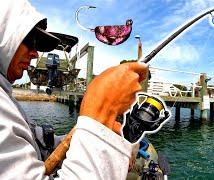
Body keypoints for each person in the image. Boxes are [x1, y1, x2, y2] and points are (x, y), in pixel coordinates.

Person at [0, 0, 147, 179]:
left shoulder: (7, 100)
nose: (35, 53)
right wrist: (99, 116)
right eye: (30, 41)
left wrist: (88, 133)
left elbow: (33, 146)